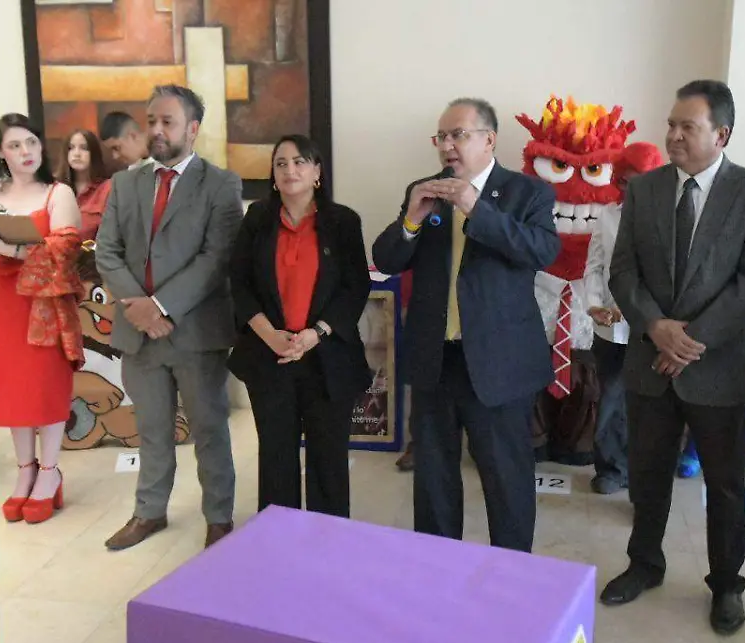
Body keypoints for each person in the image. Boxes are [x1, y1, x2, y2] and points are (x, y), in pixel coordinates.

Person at [600, 80, 745, 637]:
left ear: (721, 134)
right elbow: (623, 269)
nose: (674, 136)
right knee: (647, 474)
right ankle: (644, 564)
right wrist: (657, 328)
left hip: (718, 366)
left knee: (724, 484)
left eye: (688, 127)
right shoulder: (645, 189)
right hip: (650, 361)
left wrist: (691, 340)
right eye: (671, 125)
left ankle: (726, 584)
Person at [372, 98, 560, 553]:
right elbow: (387, 259)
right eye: (441, 137)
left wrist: (477, 209)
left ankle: (511, 570)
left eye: (458, 135)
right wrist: (411, 221)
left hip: (499, 363)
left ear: (489, 139)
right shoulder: (426, 190)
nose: (447, 146)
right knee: (433, 477)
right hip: (435, 359)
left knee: (506, 477)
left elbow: (541, 251)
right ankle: (439, 566)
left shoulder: (527, 192)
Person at [95, 85, 244, 551]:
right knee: (152, 431)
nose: (157, 130)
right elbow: (106, 251)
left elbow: (216, 259)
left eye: (168, 122)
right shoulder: (126, 184)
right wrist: (140, 308)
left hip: (195, 333)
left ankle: (219, 518)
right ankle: (149, 511)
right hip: (139, 335)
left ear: (192, 129)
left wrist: (160, 307)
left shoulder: (221, 184)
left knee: (209, 431)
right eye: (151, 122)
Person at [228, 134, 371, 517]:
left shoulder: (343, 222)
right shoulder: (258, 219)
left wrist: (315, 334)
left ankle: (328, 539)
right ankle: (279, 540)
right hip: (269, 357)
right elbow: (239, 283)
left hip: (327, 357)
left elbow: (355, 287)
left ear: (317, 171)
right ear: (273, 176)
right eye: (281, 163)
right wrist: (269, 335)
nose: (290, 169)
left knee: (329, 460)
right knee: (276, 457)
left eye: (299, 161)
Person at [0, 113, 85, 525]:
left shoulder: (58, 193)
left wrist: (12, 251)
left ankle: (50, 471)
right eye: (14, 145)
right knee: (11, 388)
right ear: (0, 152)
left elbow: (66, 250)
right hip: (0, 301)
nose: (25, 152)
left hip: (43, 304)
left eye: (30, 142)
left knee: (44, 385)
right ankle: (25, 469)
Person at [583, 203, 631, 494]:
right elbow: (595, 266)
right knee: (610, 397)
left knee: (649, 403)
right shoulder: (609, 214)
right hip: (610, 328)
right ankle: (612, 468)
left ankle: (646, 469)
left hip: (655, 330)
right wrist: (594, 304)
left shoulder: (671, 209)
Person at [55, 128, 112, 241]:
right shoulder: (55, 187)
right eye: (71, 148)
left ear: (94, 153)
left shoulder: (107, 188)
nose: (76, 154)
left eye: (84, 148)